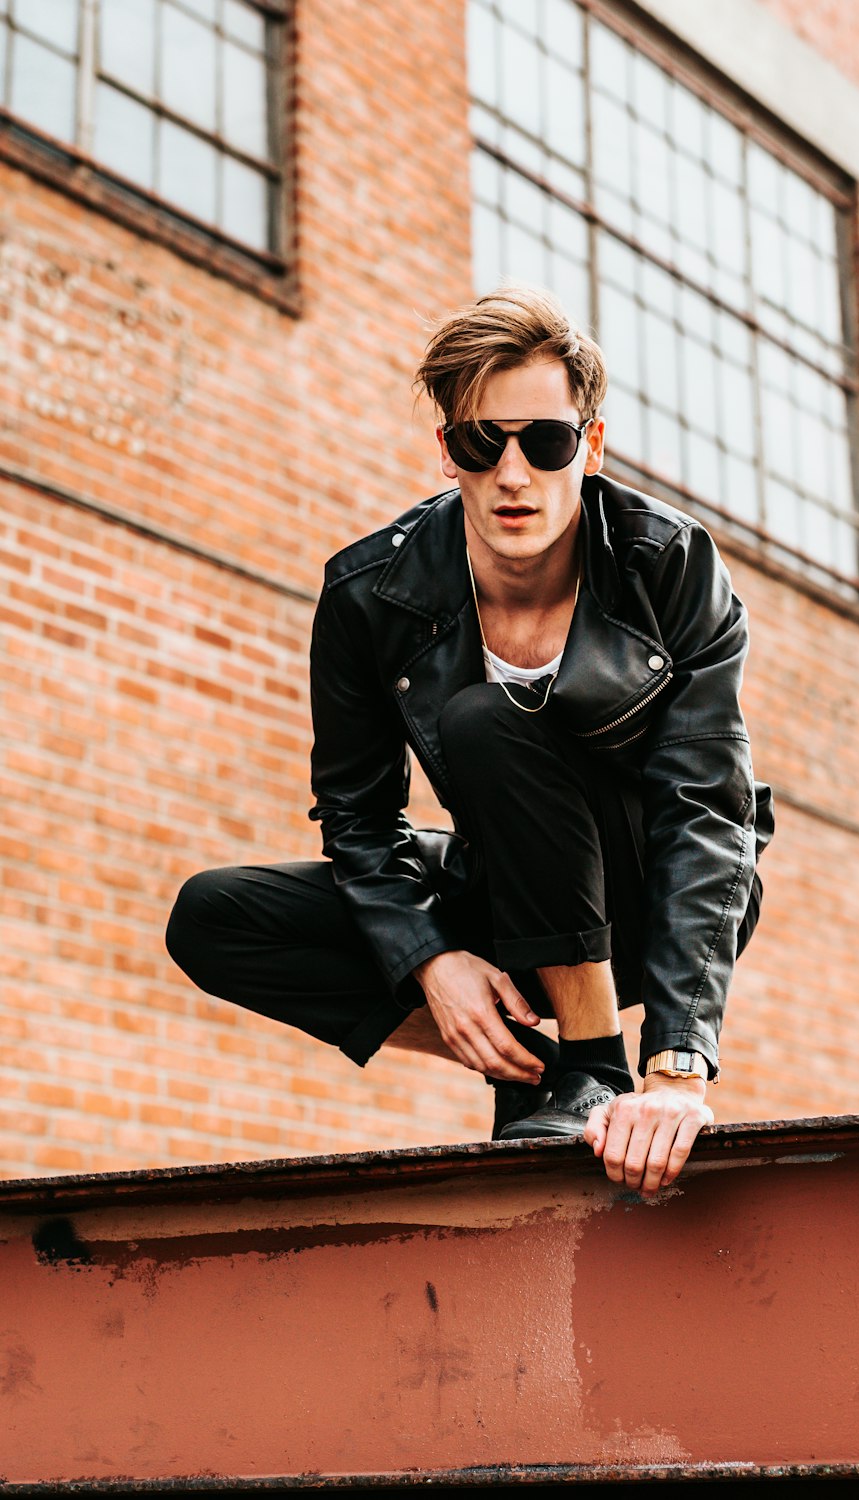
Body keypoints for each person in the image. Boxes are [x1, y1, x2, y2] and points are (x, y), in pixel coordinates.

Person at [166, 284, 774, 1197]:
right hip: (506, 894)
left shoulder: (667, 565)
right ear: (448, 452)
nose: (514, 475)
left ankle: (595, 1061)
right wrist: (433, 962)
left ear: (592, 446)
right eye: (482, 443)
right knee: (214, 915)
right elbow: (359, 818)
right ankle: (530, 1057)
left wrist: (677, 1070)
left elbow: (708, 813)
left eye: (547, 441)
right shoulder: (372, 594)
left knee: (486, 721)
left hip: (649, 889)